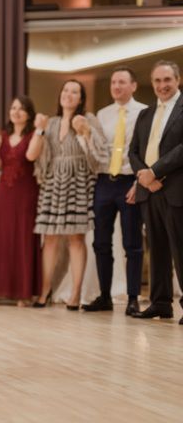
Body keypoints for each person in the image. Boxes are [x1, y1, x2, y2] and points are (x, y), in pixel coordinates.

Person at [30, 80, 106, 310]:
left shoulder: (89, 119)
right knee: (50, 238)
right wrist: (39, 129)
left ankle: (75, 294)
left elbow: (100, 151)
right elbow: (38, 156)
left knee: (76, 238)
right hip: (53, 181)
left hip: (78, 181)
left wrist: (85, 130)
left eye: (75, 92)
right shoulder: (51, 123)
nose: (69, 95)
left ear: (81, 98)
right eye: (65, 90)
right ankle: (44, 291)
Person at [82, 67, 147, 315]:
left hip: (130, 182)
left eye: (122, 82)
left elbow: (145, 151)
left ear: (133, 86)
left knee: (132, 243)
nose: (116, 87)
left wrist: (138, 183)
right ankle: (104, 296)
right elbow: (98, 149)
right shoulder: (102, 114)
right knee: (101, 242)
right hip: (104, 182)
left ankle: (132, 297)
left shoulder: (143, 112)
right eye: (113, 83)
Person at [0, 96, 42, 307]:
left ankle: (23, 293)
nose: (16, 112)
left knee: (22, 238)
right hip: (3, 192)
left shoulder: (34, 135)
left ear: (28, 113)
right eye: (13, 108)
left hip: (26, 193)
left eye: (21, 109)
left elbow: (30, 157)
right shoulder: (2, 135)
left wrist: (40, 130)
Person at [129, 60, 183, 324]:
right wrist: (145, 177)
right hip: (149, 191)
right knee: (157, 249)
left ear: (178, 80)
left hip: (175, 189)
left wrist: (157, 171)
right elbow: (133, 152)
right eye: (158, 81)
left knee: (181, 249)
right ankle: (161, 303)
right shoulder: (145, 114)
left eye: (167, 80)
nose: (162, 86)